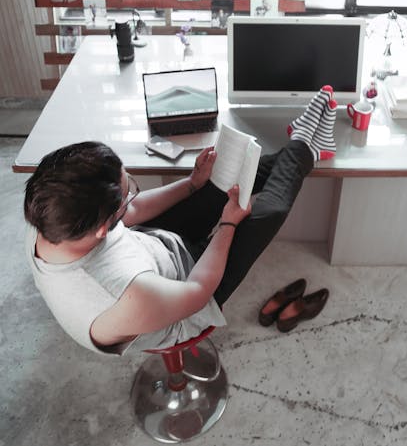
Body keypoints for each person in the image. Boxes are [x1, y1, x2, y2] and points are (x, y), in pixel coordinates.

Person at [24, 88, 337, 355]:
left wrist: (192, 183)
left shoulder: (52, 217)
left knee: (230, 179)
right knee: (269, 213)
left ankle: (304, 145)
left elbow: (130, 214)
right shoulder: (124, 297)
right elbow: (198, 291)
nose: (132, 193)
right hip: (188, 292)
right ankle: (305, 144)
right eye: (128, 191)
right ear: (102, 228)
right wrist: (227, 227)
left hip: (154, 246)